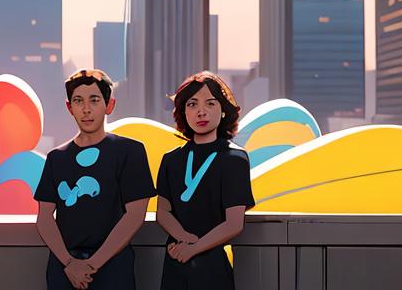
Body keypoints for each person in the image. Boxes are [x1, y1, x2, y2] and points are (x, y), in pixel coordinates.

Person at [34, 69, 154, 290]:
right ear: (69, 107)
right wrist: (69, 263)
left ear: (109, 105)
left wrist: (91, 265)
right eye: (78, 101)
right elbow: (44, 217)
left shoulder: (130, 151)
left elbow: (136, 214)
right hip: (64, 268)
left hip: (113, 266)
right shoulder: (56, 158)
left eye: (94, 100)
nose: (86, 109)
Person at [156, 71, 255, 290]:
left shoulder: (235, 159)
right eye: (192, 104)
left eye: (210, 103)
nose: (201, 112)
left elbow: (234, 223)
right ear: (183, 112)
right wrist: (182, 238)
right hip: (176, 260)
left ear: (222, 111)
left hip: (212, 264)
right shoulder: (171, 159)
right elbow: (162, 211)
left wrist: (193, 247)